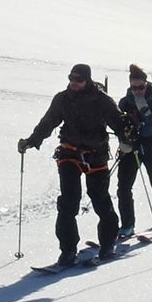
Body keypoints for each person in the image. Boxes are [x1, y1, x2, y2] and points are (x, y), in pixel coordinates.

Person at [20, 64, 124, 269]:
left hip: (97, 156)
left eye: (78, 79)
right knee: (68, 202)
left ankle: (108, 244)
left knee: (100, 200)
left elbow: (119, 123)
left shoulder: (102, 100)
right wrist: (31, 141)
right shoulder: (62, 99)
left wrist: (128, 140)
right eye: (71, 78)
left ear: (87, 80)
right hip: (69, 153)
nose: (73, 83)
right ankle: (68, 250)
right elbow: (48, 123)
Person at [114, 63, 152, 239]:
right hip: (130, 148)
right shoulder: (125, 102)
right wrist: (125, 134)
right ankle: (127, 225)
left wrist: (143, 121)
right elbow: (118, 124)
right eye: (134, 87)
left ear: (146, 84)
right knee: (124, 187)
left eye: (141, 87)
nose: (137, 91)